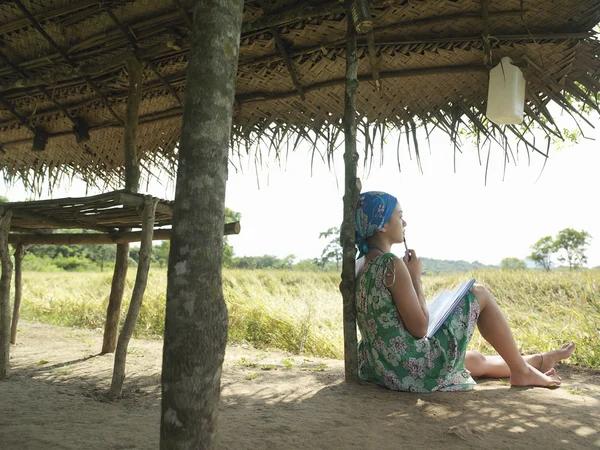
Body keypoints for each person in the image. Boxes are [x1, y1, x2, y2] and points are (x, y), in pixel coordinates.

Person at [354, 191, 575, 392]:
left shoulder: (361, 265)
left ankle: (540, 360)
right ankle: (522, 371)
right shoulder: (391, 264)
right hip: (410, 370)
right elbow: (419, 329)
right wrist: (415, 278)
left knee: (473, 361)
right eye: (399, 216)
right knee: (479, 293)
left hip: (381, 365)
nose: (404, 222)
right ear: (382, 224)